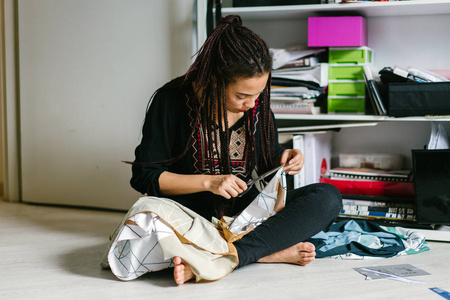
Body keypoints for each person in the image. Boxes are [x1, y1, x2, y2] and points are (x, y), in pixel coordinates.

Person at [129, 14, 342, 285]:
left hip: (243, 214)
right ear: (212, 81)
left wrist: (284, 159)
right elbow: (145, 177)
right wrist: (209, 182)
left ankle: (229, 257)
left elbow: (268, 165)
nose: (252, 104)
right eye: (241, 96)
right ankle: (264, 250)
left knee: (327, 197)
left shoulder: (257, 106)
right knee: (142, 222)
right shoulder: (170, 101)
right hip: (189, 217)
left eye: (258, 94)